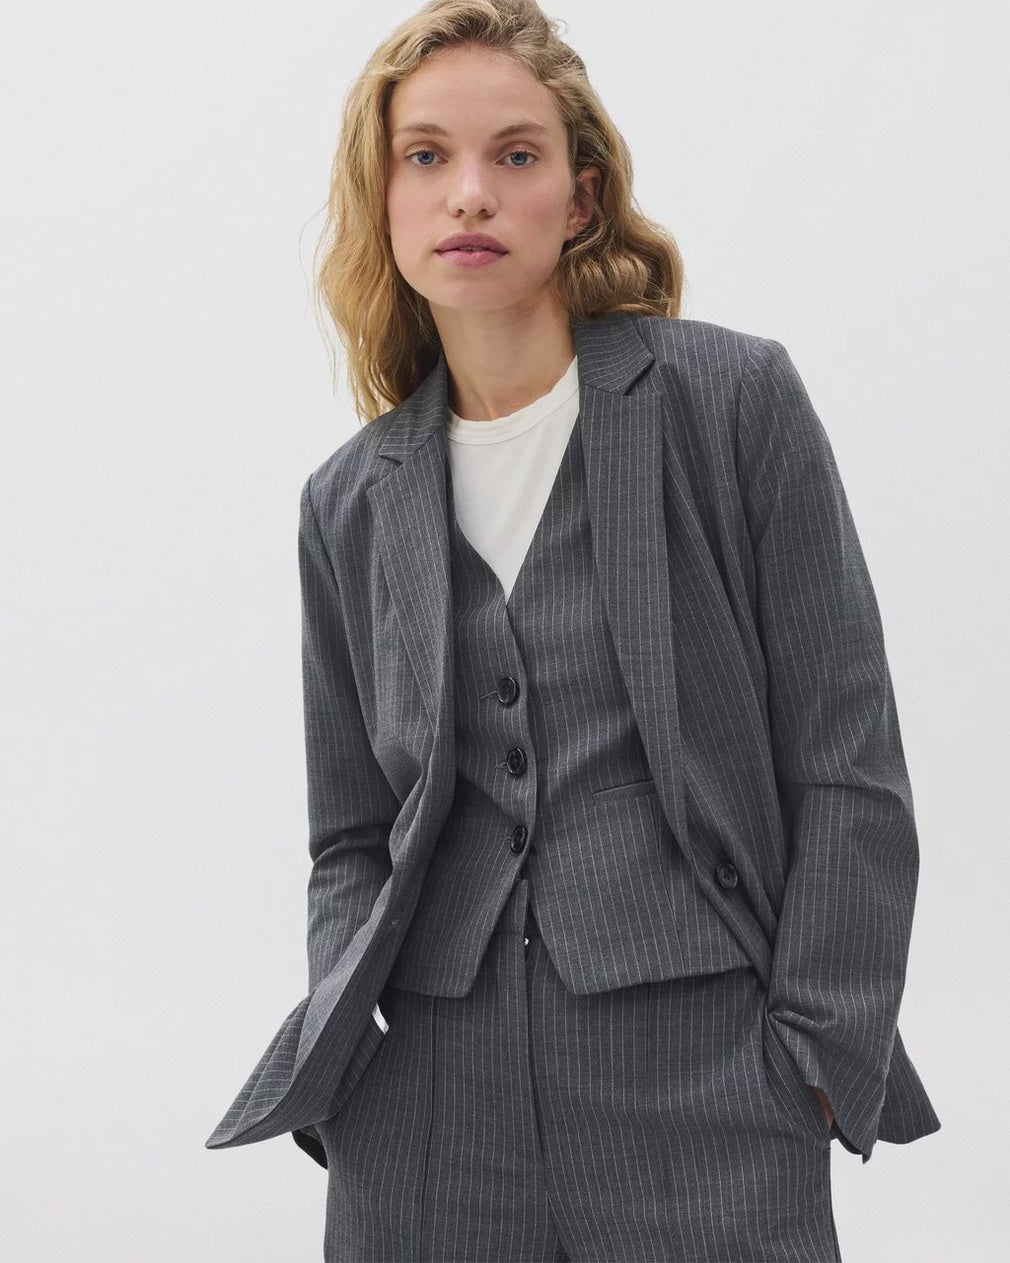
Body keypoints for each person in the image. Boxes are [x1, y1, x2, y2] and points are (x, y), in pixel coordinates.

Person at [205, 2, 941, 1259]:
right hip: (428, 1102)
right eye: (425, 156)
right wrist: (351, 1049)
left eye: (516, 154)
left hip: (705, 1071)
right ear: (384, 199)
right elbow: (348, 835)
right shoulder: (347, 502)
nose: (469, 193)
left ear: (581, 198)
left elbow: (844, 760)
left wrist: (815, 1052)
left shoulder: (730, 401)